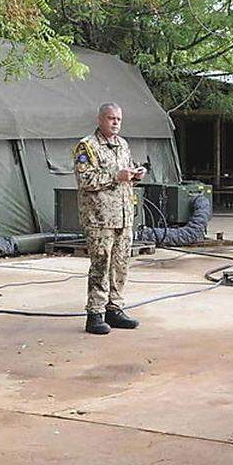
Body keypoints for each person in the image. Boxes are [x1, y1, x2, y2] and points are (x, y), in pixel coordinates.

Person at [73, 102, 145, 335]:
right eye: (111, 118)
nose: (115, 123)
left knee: (120, 265)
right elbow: (85, 180)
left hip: (123, 217)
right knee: (101, 266)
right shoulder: (87, 147)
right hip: (100, 218)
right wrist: (116, 176)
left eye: (119, 119)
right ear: (100, 119)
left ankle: (114, 308)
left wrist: (135, 174)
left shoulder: (122, 145)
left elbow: (125, 173)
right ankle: (95, 313)